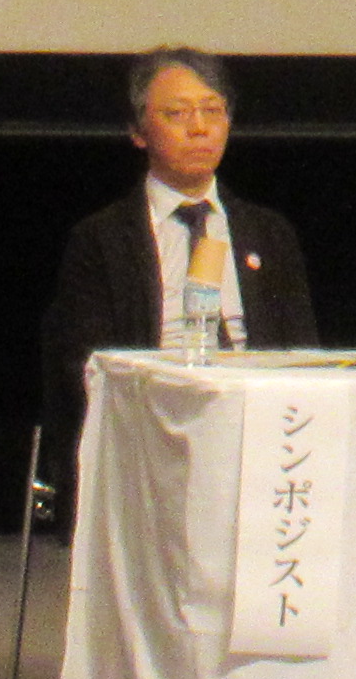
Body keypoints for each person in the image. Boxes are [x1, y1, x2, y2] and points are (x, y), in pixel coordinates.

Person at [38, 47, 320, 460]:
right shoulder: (102, 239)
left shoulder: (269, 234)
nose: (200, 128)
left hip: (258, 431)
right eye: (178, 114)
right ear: (138, 131)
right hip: (150, 433)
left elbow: (303, 357)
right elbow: (88, 370)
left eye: (213, 111)